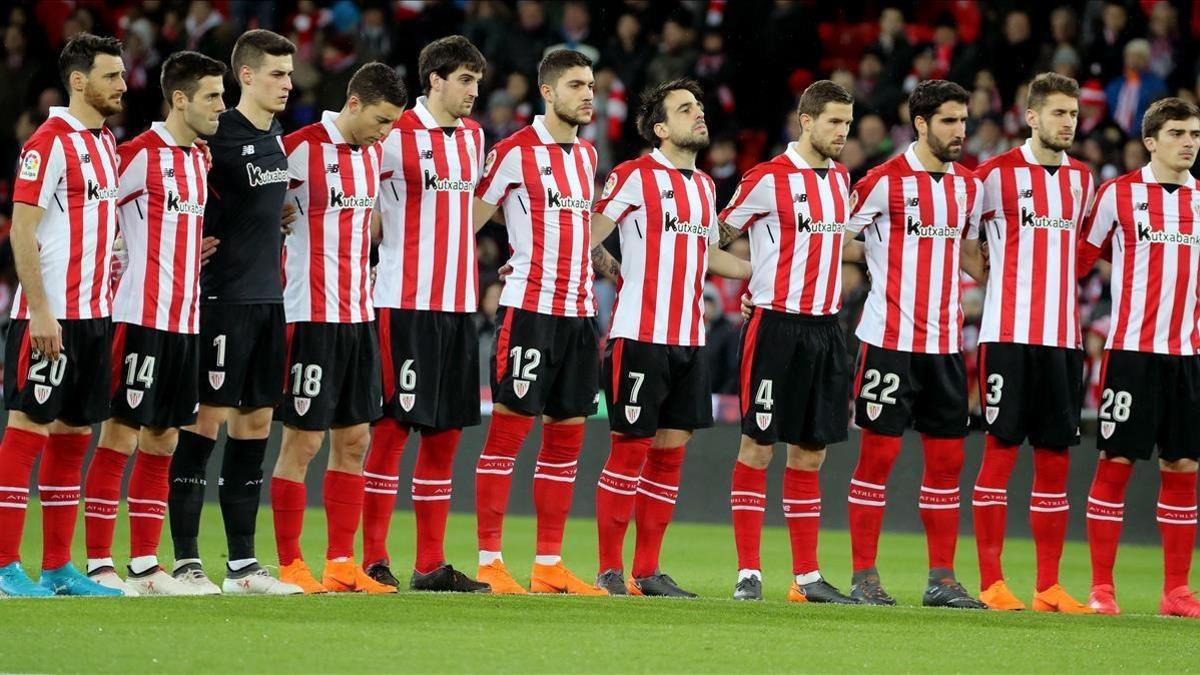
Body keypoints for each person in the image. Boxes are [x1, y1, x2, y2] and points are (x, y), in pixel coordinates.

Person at [590, 78, 750, 597]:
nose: (699, 114)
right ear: (660, 128)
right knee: (630, 448)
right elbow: (588, 234)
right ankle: (609, 569)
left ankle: (648, 570)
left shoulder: (704, 187)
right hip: (639, 334)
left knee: (671, 451)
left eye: (700, 106)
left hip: (689, 337)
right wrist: (615, 269)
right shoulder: (634, 176)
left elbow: (709, 256)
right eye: (685, 109)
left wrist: (763, 274)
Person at [83, 51, 235, 596]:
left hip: (185, 321)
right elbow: (94, 220)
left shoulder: (199, 157)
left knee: (165, 439)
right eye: (213, 96)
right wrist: (128, 258)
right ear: (180, 99)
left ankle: (145, 565)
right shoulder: (139, 155)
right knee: (120, 433)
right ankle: (99, 563)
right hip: (139, 318)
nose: (222, 106)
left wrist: (181, 256)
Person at [842, 80, 988, 609]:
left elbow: (970, 253)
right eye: (949, 121)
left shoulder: (970, 188)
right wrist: (878, 253)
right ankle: (864, 576)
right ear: (921, 123)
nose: (960, 131)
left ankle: (942, 580)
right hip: (889, 342)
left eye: (964, 121)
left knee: (948, 466)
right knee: (876, 461)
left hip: (947, 345)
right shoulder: (883, 182)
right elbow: (835, 237)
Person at [166, 29, 300, 594]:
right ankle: (186, 560)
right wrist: (179, 243)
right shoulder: (214, 138)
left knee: (257, 426)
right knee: (205, 424)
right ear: (245, 75)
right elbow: (175, 201)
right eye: (276, 73)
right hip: (222, 301)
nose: (287, 84)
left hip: (270, 300)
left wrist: (281, 214)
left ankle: (244, 564)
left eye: (290, 74)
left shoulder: (278, 140)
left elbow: (265, 206)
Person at [720, 80, 862, 604]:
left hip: (826, 330)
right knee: (757, 447)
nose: (842, 134)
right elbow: (711, 237)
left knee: (811, 454)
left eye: (847, 124)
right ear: (805, 121)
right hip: (776, 327)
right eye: (833, 123)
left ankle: (806, 578)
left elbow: (832, 243)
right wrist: (749, 279)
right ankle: (749, 572)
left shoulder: (840, 179)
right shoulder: (766, 179)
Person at [470, 49, 606, 595]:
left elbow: (578, 232)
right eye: (576, 85)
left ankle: (548, 564)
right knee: (508, 431)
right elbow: (470, 221)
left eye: (591, 84)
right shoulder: (513, 152)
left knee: (567, 437)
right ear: (548, 92)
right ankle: (488, 560)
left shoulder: (586, 156)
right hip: (529, 309)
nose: (588, 94)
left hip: (579, 314)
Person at [271, 62, 407, 594]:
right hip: (309, 315)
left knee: (354, 440)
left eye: (394, 123)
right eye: (380, 119)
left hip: (358, 316)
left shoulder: (373, 153)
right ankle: (289, 564)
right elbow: (253, 206)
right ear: (353, 103)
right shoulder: (299, 148)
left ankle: (340, 563)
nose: (386, 132)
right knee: (302, 443)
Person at [360, 35, 489, 593]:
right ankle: (372, 559)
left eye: (477, 82)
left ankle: (430, 564)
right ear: (434, 79)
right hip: (404, 303)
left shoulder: (475, 138)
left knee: (444, 436)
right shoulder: (394, 136)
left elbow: (463, 215)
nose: (473, 92)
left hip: (459, 307)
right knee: (391, 431)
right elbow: (361, 210)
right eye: (464, 80)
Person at [0, 32, 126, 598]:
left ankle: (57, 568)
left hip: (96, 315)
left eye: (122, 76)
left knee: (74, 435)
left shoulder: (104, 143)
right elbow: (22, 229)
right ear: (79, 81)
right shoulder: (48, 142)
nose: (122, 85)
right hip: (50, 317)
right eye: (111, 76)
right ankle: (4, 568)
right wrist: (42, 311)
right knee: (27, 430)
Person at [969, 72, 1095, 613]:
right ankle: (992, 581)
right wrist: (990, 280)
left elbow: (1086, 249)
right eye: (1058, 113)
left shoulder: (1083, 179)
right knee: (998, 456)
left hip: (1064, 342)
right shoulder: (993, 176)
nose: (1068, 122)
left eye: (1073, 114)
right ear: (1032, 116)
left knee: (1054, 462)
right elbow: (960, 236)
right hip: (1007, 337)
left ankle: (1048, 586)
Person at [1077, 97, 1200, 619]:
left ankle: (1176, 591)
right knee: (1116, 462)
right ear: (1151, 141)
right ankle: (1102, 589)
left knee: (1183, 465)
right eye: (1177, 133)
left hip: (1187, 355)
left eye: (1194, 133)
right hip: (1131, 353)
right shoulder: (1118, 195)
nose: (1189, 142)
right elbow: (1082, 258)